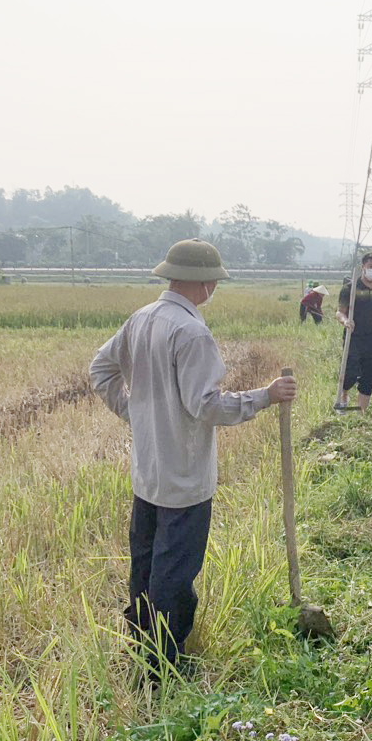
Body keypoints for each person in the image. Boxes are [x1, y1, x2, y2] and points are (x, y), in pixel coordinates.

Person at [89, 239, 297, 680]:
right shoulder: (192, 333)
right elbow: (208, 406)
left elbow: (100, 371)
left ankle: (141, 651)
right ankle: (162, 667)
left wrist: (136, 413)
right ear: (205, 284)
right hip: (184, 479)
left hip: (147, 475)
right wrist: (265, 396)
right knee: (173, 575)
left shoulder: (141, 319)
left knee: (144, 566)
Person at [336, 253, 372, 411]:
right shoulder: (350, 289)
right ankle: (343, 396)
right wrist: (345, 321)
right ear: (363, 267)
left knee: (368, 375)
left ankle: (361, 413)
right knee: (350, 371)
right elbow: (339, 312)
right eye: (371, 267)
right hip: (354, 338)